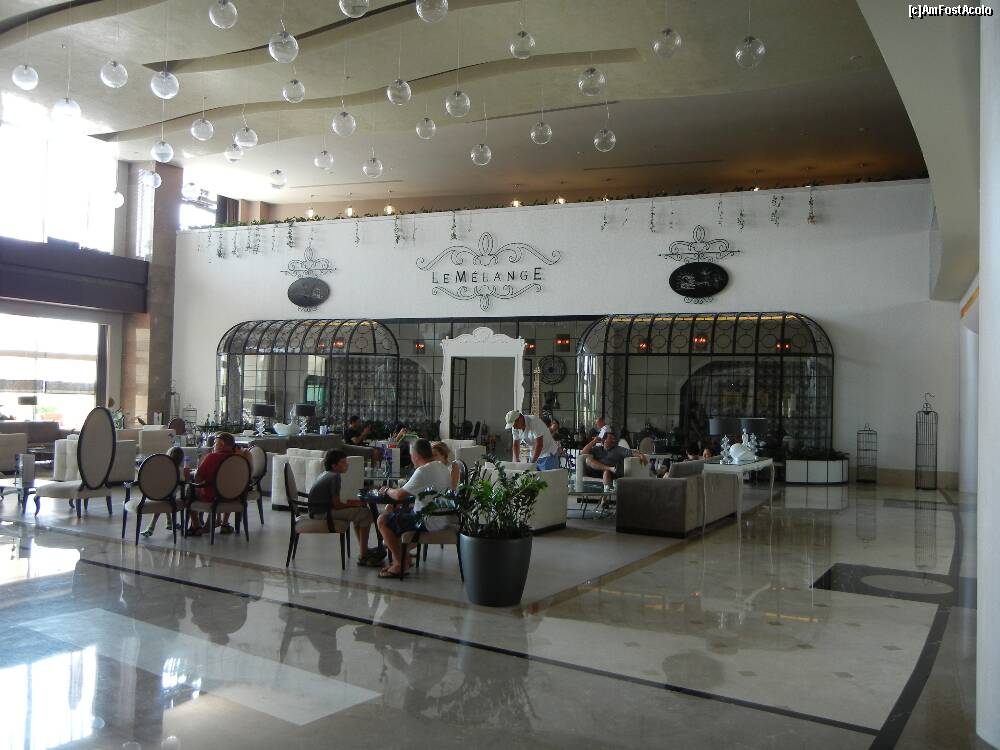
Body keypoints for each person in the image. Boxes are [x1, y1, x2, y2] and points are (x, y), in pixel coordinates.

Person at [375, 439, 453, 578]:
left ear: (416, 455)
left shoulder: (422, 471)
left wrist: (386, 489)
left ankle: (399, 564)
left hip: (427, 520)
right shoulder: (442, 467)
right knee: (392, 511)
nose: (411, 458)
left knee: (382, 520)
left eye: (411, 455)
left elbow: (398, 495)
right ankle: (404, 557)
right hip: (442, 517)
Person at [307, 449, 377, 565]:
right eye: (343, 462)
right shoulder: (335, 477)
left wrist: (352, 504)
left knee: (360, 512)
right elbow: (337, 505)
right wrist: (353, 504)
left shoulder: (325, 474)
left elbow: (334, 502)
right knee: (366, 514)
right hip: (323, 513)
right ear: (334, 466)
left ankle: (363, 549)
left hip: (317, 510)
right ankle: (364, 555)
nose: (347, 464)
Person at [186, 432, 244, 536]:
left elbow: (198, 478)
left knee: (190, 491)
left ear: (221, 443)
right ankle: (223, 524)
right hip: (234, 497)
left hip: (213, 497)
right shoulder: (239, 459)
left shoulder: (211, 457)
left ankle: (196, 526)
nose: (213, 445)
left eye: (215, 443)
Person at [141, 446, 188, 537]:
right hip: (170, 496)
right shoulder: (179, 470)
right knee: (170, 495)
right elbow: (182, 483)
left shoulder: (162, 469)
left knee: (165, 496)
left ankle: (154, 526)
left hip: (157, 494)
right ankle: (169, 522)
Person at [581, 430, 648, 490]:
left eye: (614, 439)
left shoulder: (618, 449)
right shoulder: (597, 449)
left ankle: (604, 498)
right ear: (604, 440)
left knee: (606, 472)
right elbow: (583, 452)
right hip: (596, 471)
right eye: (611, 438)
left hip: (611, 473)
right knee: (588, 459)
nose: (613, 440)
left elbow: (630, 452)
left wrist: (640, 455)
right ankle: (609, 468)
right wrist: (594, 441)